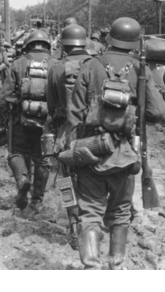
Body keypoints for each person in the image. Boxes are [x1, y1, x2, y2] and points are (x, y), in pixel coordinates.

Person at [64, 17, 165, 270]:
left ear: (109, 38)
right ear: (135, 42)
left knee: (89, 211)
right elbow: (158, 113)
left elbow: (74, 113)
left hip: (91, 150)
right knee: (120, 211)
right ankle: (115, 266)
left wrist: (74, 150)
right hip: (125, 153)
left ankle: (91, 267)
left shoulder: (91, 65)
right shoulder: (140, 69)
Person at [46, 24, 94, 249]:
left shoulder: (57, 67)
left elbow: (52, 104)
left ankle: (74, 225)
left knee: (66, 179)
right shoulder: (96, 64)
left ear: (63, 45)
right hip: (93, 132)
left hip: (66, 132)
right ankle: (92, 224)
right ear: (84, 43)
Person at [0, 29, 55, 212]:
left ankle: (22, 179)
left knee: (16, 153)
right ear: (48, 45)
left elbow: (3, 97)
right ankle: (37, 201)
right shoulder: (56, 64)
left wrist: (4, 117)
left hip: (20, 120)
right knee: (42, 160)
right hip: (47, 124)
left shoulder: (18, 63)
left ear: (28, 45)